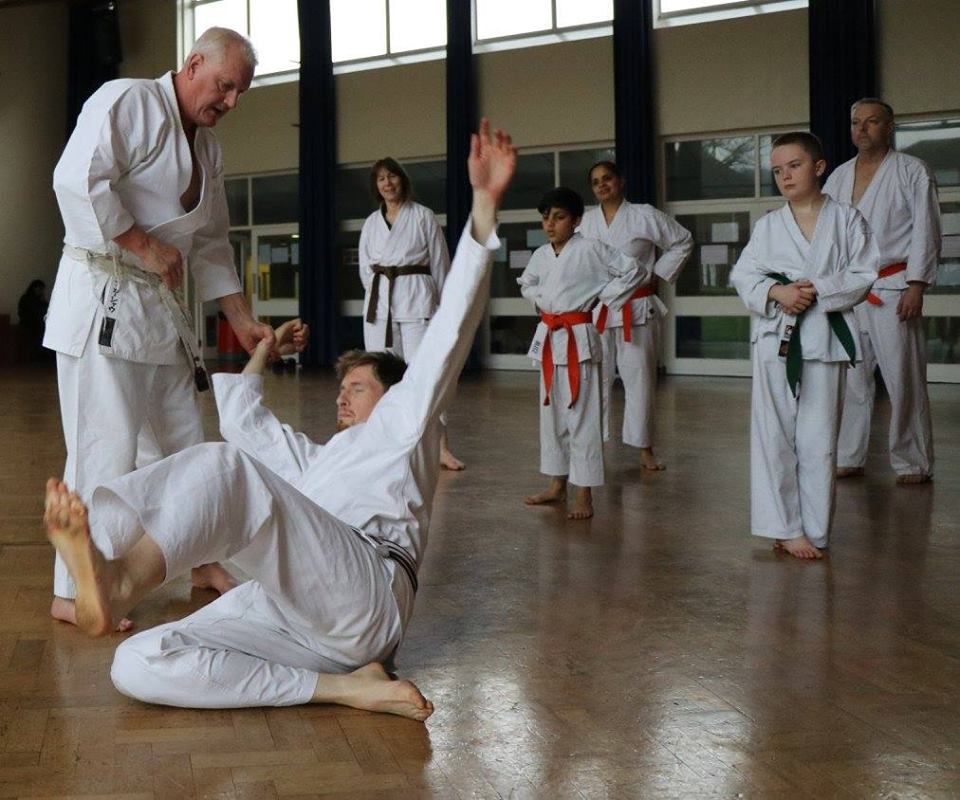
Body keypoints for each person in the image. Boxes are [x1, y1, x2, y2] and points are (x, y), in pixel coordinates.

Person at [42, 119, 517, 719]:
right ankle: (349, 688)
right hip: (302, 617)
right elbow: (246, 420)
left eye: (358, 387)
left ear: (395, 393)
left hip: (367, 589)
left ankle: (119, 579)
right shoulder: (318, 462)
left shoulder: (407, 425)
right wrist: (264, 348)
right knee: (137, 660)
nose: (342, 398)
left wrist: (483, 204)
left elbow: (451, 330)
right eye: (341, 387)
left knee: (227, 470)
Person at [44, 28, 289, 629]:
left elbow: (209, 243)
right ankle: (76, 589)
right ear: (193, 62)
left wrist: (240, 318)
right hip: (103, 301)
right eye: (225, 86)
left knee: (186, 447)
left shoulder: (206, 151)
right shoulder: (129, 101)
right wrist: (140, 242)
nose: (230, 101)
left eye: (241, 93)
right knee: (105, 451)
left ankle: (200, 559)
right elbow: (76, 180)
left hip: (158, 317)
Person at [730, 132, 878, 559]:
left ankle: (814, 528)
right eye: (776, 170)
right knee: (772, 434)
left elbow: (864, 272)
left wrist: (815, 290)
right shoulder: (768, 226)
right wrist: (778, 294)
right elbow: (744, 275)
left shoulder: (848, 220)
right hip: (776, 336)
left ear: (818, 167)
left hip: (825, 338)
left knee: (820, 439)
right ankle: (783, 526)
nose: (784, 176)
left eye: (793, 165)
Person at [822, 98, 940, 484]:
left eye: (872, 122)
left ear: (889, 126)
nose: (862, 129)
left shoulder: (912, 171)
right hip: (851, 289)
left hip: (894, 286)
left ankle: (913, 460)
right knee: (852, 377)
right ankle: (849, 454)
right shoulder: (838, 176)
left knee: (902, 377)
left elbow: (926, 229)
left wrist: (916, 285)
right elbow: (829, 235)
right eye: (856, 122)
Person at [519, 187, 645, 520]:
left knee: (583, 417)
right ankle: (556, 484)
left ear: (576, 221)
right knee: (552, 416)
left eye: (559, 217)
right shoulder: (541, 255)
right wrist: (542, 301)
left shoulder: (592, 249)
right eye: (546, 217)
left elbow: (636, 271)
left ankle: (584, 492)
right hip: (549, 338)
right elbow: (526, 283)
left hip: (580, 339)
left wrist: (606, 295)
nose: (550, 224)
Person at [579, 161, 693, 470]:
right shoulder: (586, 223)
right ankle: (594, 444)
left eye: (607, 179)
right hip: (598, 309)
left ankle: (644, 448)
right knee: (594, 380)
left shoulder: (644, 215)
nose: (602, 185)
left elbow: (682, 240)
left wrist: (658, 272)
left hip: (637, 308)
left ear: (621, 181)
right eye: (596, 181)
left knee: (640, 379)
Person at [360, 159, 464, 471]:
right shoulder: (370, 223)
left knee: (427, 374)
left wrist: (445, 309)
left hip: (418, 301)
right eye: (380, 179)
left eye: (391, 176)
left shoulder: (423, 216)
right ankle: (389, 443)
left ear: (402, 180)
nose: (387, 183)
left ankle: (440, 446)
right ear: (376, 186)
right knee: (383, 375)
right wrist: (378, 295)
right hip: (380, 306)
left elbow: (440, 262)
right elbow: (365, 268)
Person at [18, 279, 48, 360]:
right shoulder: (26, 298)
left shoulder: (40, 299)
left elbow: (45, 311)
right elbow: (29, 312)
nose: (41, 291)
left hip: (38, 324)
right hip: (28, 324)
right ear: (35, 288)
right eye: (40, 289)